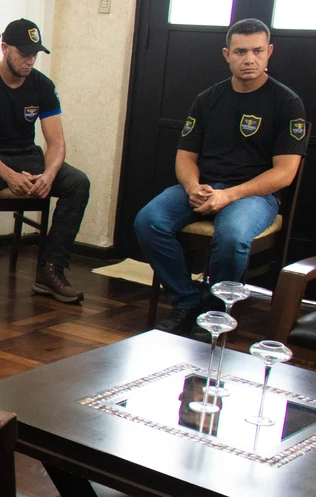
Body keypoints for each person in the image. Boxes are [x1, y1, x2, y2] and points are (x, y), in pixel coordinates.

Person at [136, 18, 306, 335]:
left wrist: (228, 195)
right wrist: (193, 187)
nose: (249, 59)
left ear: (269, 52)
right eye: (240, 51)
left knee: (231, 237)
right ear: (227, 54)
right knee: (149, 221)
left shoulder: (286, 103)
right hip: (205, 186)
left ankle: (214, 314)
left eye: (257, 51)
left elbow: (285, 173)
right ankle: (187, 301)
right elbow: (185, 156)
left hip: (254, 196)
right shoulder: (208, 99)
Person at [0, 18, 90, 305]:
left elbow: (56, 142)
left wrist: (50, 174)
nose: (30, 60)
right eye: (24, 53)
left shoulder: (43, 86)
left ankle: (50, 270)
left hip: (27, 157)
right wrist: (8, 175)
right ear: (5, 48)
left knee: (78, 182)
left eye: (34, 54)